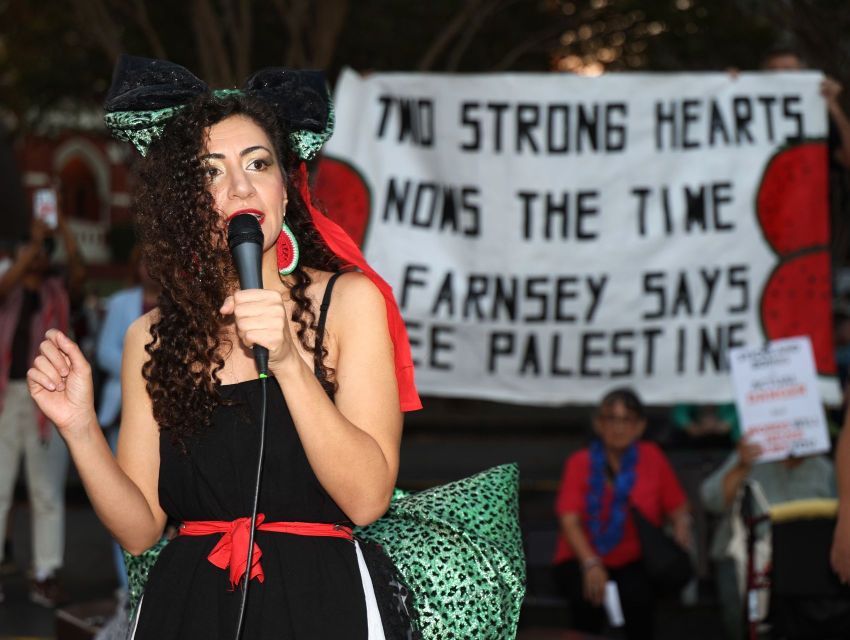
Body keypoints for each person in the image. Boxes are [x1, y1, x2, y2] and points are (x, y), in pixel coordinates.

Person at [27, 55, 421, 639]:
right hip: (187, 607)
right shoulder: (148, 338)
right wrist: (80, 428)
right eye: (211, 172)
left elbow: (367, 499)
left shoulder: (350, 302)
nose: (240, 185)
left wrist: (287, 361)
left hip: (321, 603)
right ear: (187, 206)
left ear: (286, 191)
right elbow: (139, 531)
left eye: (258, 163)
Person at [552, 387, 691, 640]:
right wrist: (591, 563)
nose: (618, 427)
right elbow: (568, 519)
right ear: (598, 424)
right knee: (587, 597)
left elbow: (678, 506)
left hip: (634, 560)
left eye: (626, 420)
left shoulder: (652, 457)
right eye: (611, 419)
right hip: (581, 557)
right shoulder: (579, 461)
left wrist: (681, 523)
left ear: (640, 426)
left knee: (638, 598)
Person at [0, 212, 85, 606]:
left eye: (40, 253)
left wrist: (60, 227)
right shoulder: (10, 286)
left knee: (46, 491)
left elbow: (80, 271)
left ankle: (46, 572)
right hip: (5, 398)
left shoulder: (57, 289)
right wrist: (34, 242)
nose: (35, 259)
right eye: (29, 253)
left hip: (48, 398)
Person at [701, 436, 836, 640]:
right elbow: (711, 500)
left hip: (806, 574)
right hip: (745, 567)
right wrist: (741, 466)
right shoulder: (750, 456)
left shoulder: (826, 470)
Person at [95, 246, 161, 592]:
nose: (148, 267)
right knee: (120, 497)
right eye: (143, 260)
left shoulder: (177, 301)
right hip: (121, 411)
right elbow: (105, 351)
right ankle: (126, 585)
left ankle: (154, 583)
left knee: (157, 502)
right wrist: (143, 366)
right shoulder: (121, 302)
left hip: (166, 414)